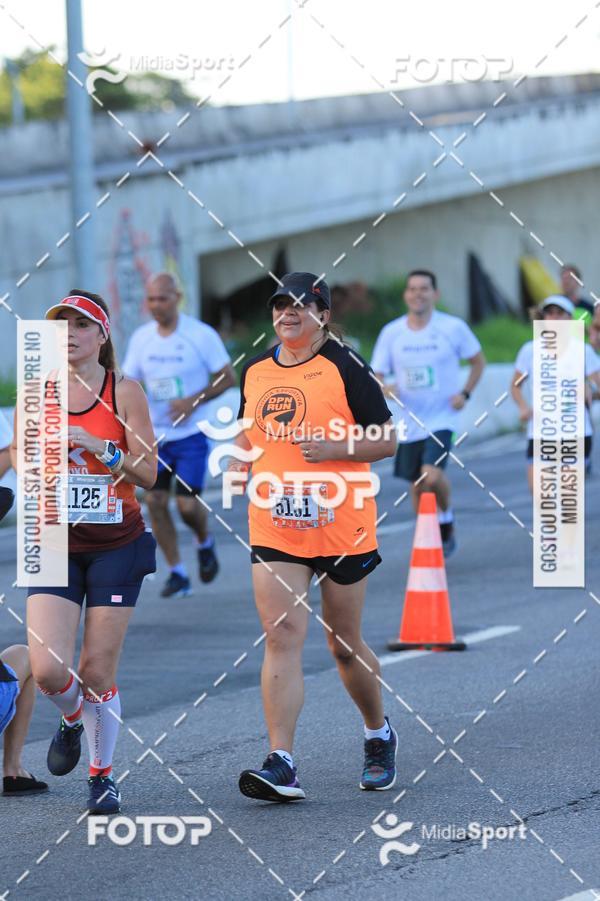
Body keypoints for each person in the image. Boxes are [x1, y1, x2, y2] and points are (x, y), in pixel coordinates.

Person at [232, 272, 398, 803]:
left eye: (302, 306)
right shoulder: (256, 371)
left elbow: (388, 438)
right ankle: (282, 761)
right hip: (276, 521)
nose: (289, 313)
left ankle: (378, 733)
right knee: (281, 634)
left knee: (343, 647)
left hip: (340, 521)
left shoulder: (345, 367)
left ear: (323, 316)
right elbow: (249, 429)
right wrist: (239, 460)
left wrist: (335, 449)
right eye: (281, 305)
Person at [11, 290, 158, 814]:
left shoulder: (125, 392)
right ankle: (73, 720)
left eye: (81, 324)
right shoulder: (36, 392)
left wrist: (101, 448)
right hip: (54, 539)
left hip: (117, 542)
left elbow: (149, 473)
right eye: (61, 325)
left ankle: (101, 775)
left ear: (103, 335)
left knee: (96, 672)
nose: (69, 333)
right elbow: (21, 462)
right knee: (50, 670)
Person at [123, 272, 235, 598]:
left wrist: (193, 400)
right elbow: (129, 381)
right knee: (155, 502)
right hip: (154, 436)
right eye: (151, 300)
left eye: (163, 298)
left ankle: (204, 540)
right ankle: (177, 572)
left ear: (178, 298)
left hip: (191, 434)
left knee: (186, 506)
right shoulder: (142, 338)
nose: (156, 306)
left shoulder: (200, 335)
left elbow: (228, 377)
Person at [371, 270, 485, 556]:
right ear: (406, 295)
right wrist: (385, 388)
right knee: (417, 484)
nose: (418, 294)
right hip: (409, 420)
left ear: (436, 294)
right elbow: (376, 374)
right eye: (412, 289)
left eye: (424, 288)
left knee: (430, 476)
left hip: (442, 417)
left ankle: (445, 522)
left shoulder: (452, 327)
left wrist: (465, 393)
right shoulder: (392, 332)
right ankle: (428, 537)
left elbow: (478, 362)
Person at [512, 295, 600, 490]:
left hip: (575, 431)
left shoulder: (583, 351)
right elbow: (515, 385)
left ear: (569, 319)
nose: (554, 318)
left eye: (560, 314)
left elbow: (598, 387)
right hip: (540, 430)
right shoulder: (530, 350)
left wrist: (590, 389)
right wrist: (523, 406)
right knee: (538, 491)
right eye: (549, 313)